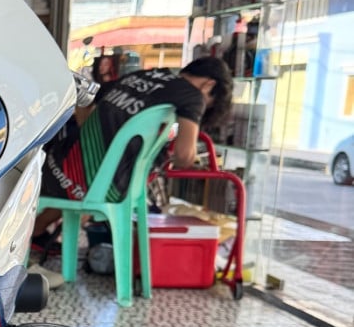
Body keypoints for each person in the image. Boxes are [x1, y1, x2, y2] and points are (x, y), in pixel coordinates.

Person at [37, 56, 233, 220]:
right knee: (105, 185)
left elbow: (85, 99)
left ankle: (38, 236)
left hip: (54, 163)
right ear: (209, 85)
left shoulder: (142, 75)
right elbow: (184, 155)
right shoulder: (193, 96)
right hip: (95, 189)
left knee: (95, 175)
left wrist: (87, 133)